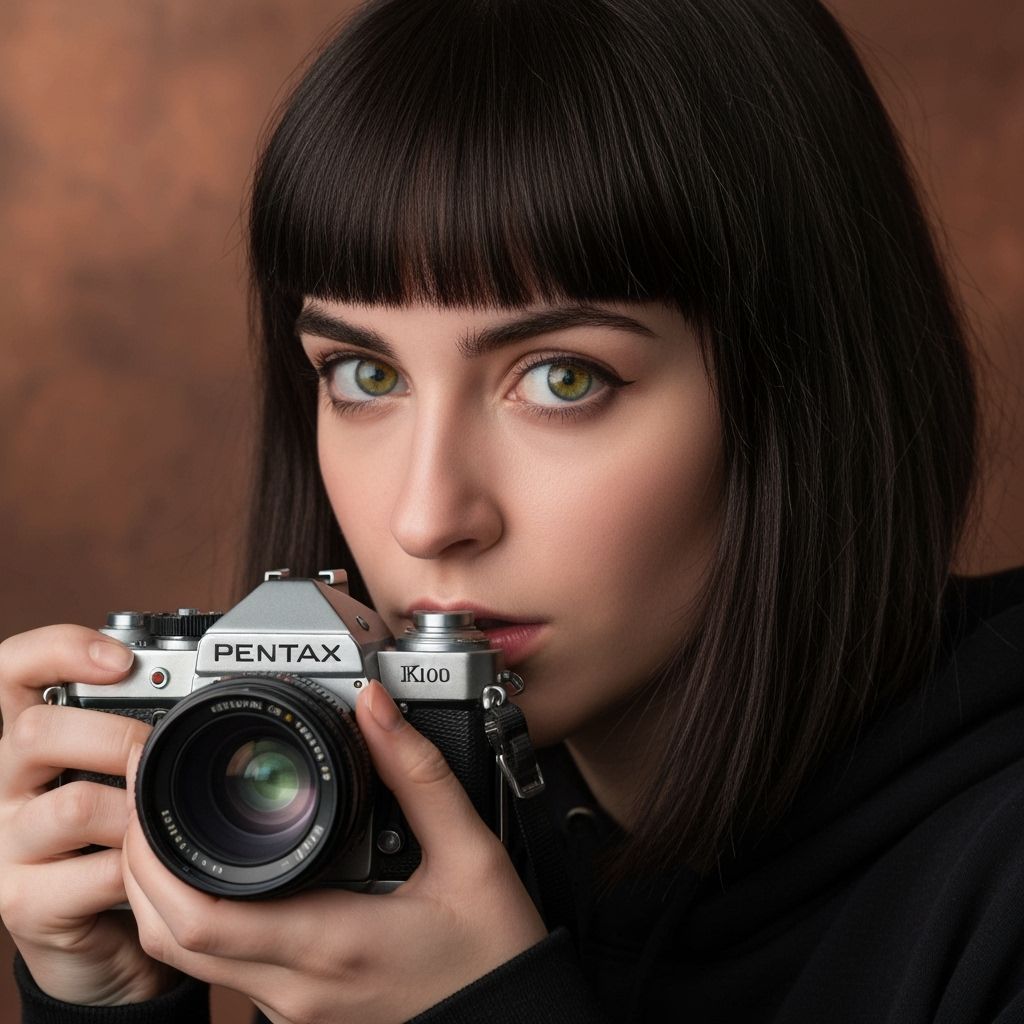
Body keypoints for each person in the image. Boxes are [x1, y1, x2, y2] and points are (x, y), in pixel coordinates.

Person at [2, 0, 1022, 1021]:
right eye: (363, 373)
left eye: (564, 379)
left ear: (810, 387)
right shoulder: (343, 829)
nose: (424, 515)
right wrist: (105, 1003)